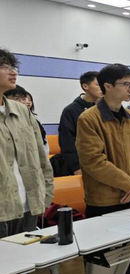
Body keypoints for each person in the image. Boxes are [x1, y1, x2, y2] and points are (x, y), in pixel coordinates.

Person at [76, 64, 130, 274]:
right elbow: (94, 162)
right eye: (126, 84)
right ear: (108, 86)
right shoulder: (89, 119)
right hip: (104, 199)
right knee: (103, 254)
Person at [0, 48, 54, 240]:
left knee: (26, 258)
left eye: (13, 67)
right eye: (4, 66)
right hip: (3, 209)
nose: (13, 72)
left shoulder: (22, 111)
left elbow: (40, 156)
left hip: (28, 205)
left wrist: (46, 194)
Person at [59, 71, 102, 175]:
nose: (103, 88)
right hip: (84, 164)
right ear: (85, 86)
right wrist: (76, 166)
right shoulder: (71, 110)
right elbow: (67, 141)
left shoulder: (106, 109)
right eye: (98, 84)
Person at [5, 85, 47, 152]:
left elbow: (42, 143)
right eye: (16, 98)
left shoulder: (32, 119)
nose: (22, 102)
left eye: (24, 99)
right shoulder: (4, 119)